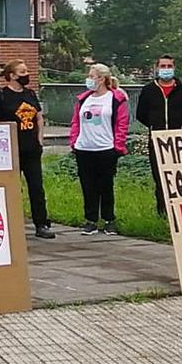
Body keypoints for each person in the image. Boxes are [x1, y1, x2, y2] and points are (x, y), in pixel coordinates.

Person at [0, 60, 55, 239]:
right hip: (10, 150)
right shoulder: (0, 96)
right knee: (11, 187)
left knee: (36, 187)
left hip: (31, 149)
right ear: (12, 75)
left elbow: (39, 117)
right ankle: (9, 223)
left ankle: (41, 223)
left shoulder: (30, 93)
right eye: (22, 71)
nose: (26, 74)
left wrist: (40, 138)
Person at [135, 54, 182, 216]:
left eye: (169, 66)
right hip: (157, 139)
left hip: (179, 139)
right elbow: (141, 114)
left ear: (174, 67)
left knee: (180, 175)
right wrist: (154, 126)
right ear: (157, 68)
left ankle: (180, 210)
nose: (166, 69)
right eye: (162, 66)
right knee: (160, 177)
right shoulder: (149, 90)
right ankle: (163, 211)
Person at [70, 64, 129, 235]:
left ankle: (109, 219)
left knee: (106, 185)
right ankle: (91, 220)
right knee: (88, 185)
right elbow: (75, 121)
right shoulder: (83, 99)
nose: (89, 79)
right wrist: (74, 141)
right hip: (84, 148)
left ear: (102, 79)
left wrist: (118, 146)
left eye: (92, 76)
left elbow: (122, 124)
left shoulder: (115, 99)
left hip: (106, 148)